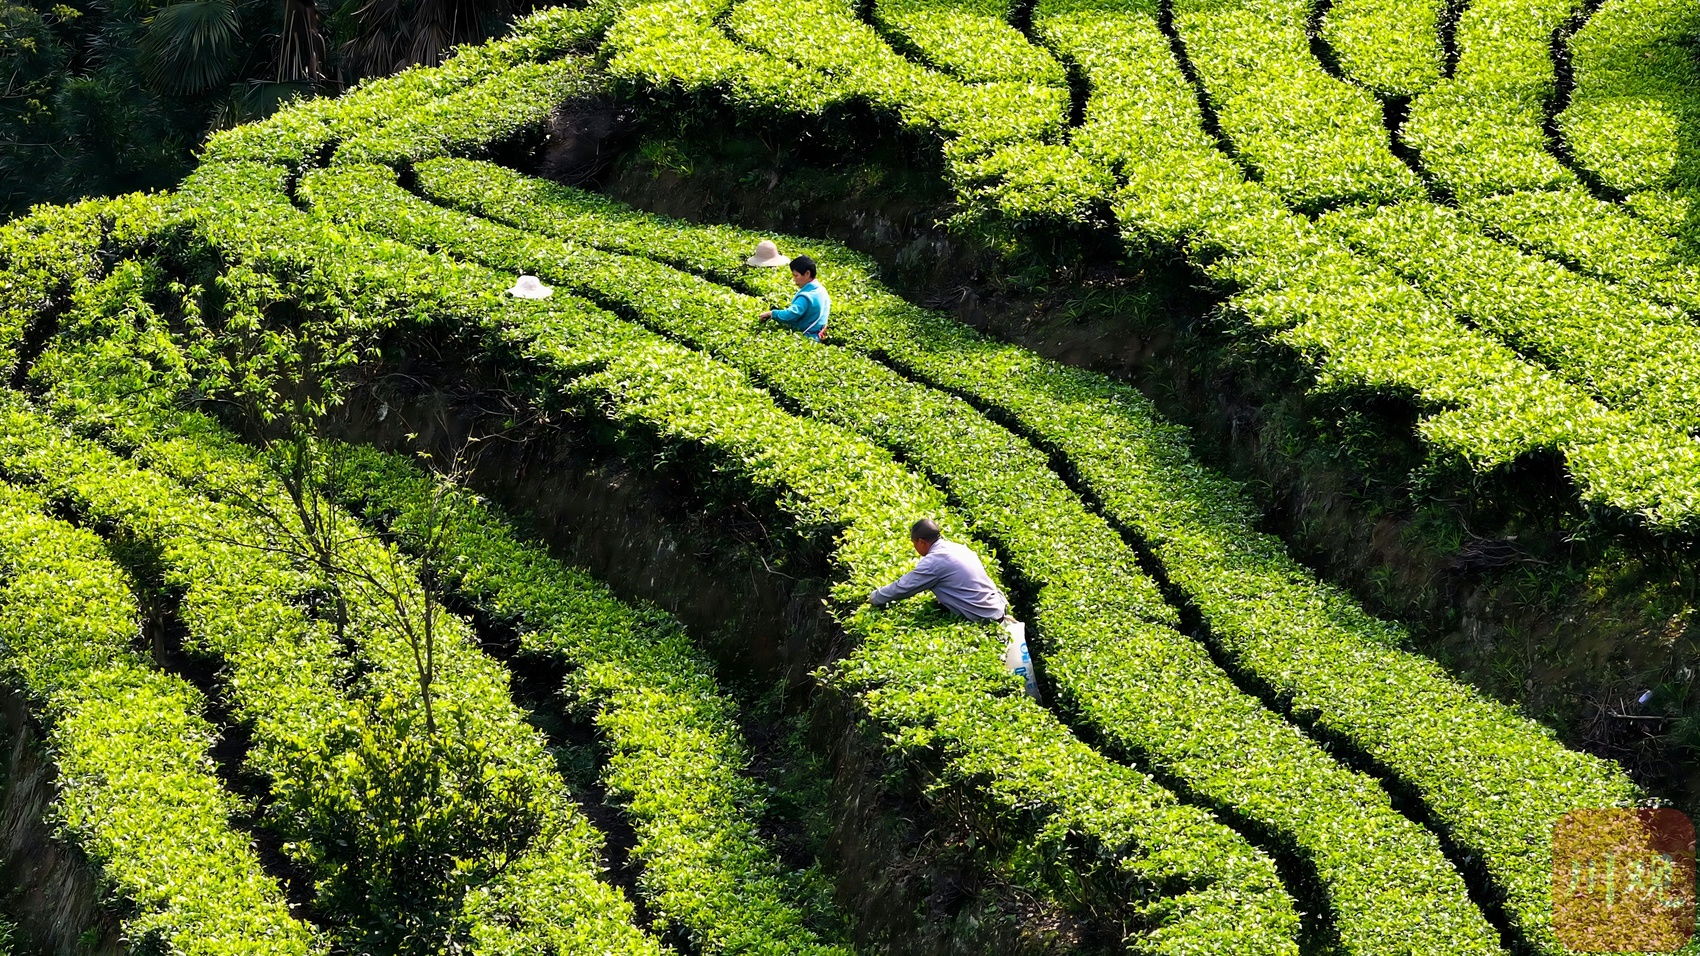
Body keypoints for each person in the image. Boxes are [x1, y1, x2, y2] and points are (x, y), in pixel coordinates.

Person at [868, 518, 1009, 622]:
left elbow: (903, 587)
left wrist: (874, 598)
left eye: (914, 543)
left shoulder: (935, 561)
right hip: (998, 605)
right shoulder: (956, 547)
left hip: (984, 616)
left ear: (921, 542)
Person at [759, 254, 830, 342]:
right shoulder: (821, 290)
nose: (794, 279)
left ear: (807, 273)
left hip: (805, 340)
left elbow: (791, 314)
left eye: (796, 276)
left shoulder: (806, 296)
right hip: (818, 336)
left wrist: (772, 314)